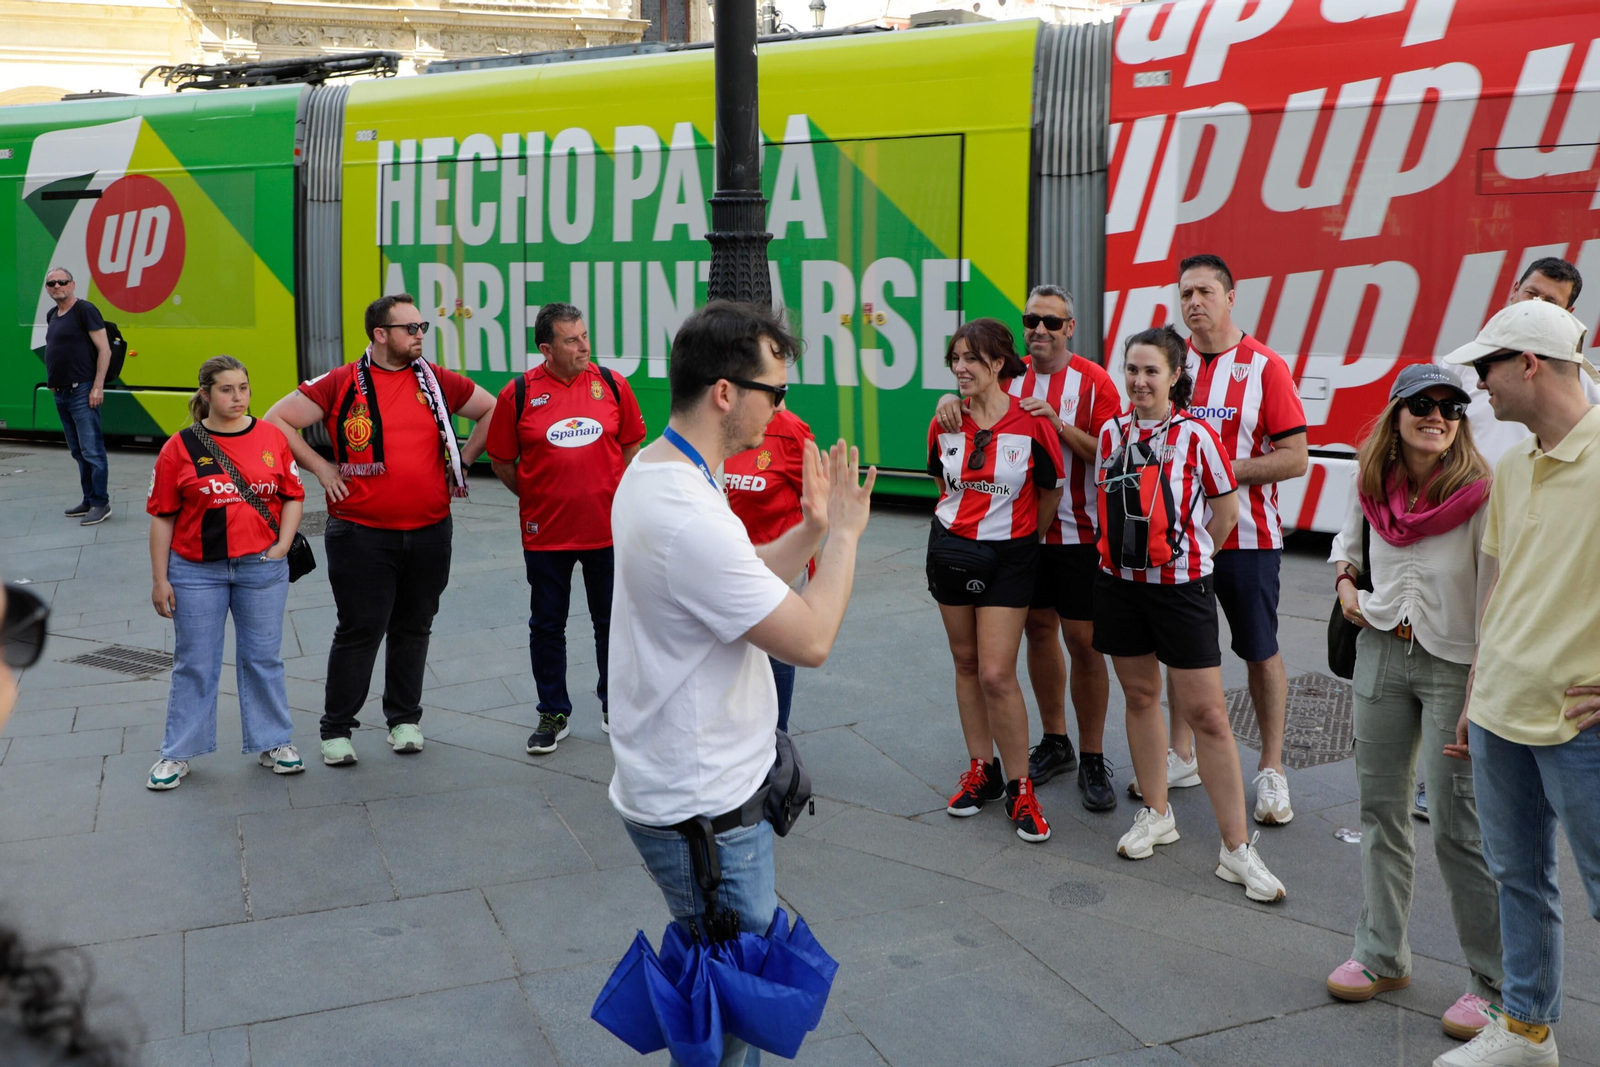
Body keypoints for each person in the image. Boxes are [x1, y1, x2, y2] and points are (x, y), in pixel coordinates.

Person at [607, 301, 875, 1067]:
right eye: (776, 391)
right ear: (725, 391)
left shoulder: (660, 468)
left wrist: (813, 531)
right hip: (706, 810)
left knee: (725, 986)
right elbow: (812, 637)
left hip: (696, 788)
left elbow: (742, 581)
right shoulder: (686, 509)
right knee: (732, 1002)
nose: (782, 408)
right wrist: (848, 538)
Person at [1432, 299, 1600, 1067]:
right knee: (1517, 879)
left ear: (1529, 363)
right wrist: (1476, 694)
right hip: (1501, 710)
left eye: (1487, 367)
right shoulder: (1513, 464)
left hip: (1581, 723)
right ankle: (1527, 1031)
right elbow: (1500, 586)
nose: (1479, 386)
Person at [1324, 364, 1502, 1043]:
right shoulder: (1370, 483)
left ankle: (1492, 982)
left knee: (1460, 826)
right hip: (1380, 649)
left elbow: (1495, 592)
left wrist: (1482, 683)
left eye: (1451, 407)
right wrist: (1345, 583)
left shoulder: (1482, 494)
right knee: (1381, 810)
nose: (1438, 416)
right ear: (1396, 414)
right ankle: (1381, 953)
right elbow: (1347, 544)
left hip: (1456, 665)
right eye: (1424, 404)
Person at [264, 294, 496, 766]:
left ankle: (404, 719)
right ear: (380, 334)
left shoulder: (436, 381)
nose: (419, 335)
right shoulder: (342, 381)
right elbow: (276, 421)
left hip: (431, 529)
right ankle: (336, 730)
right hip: (362, 533)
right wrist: (323, 469)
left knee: (415, 626)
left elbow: (494, 410)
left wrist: (462, 460)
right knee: (360, 629)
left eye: (421, 327)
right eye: (410, 328)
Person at [1097, 326, 1285, 903]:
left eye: (1152, 370)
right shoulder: (1111, 432)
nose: (1139, 380)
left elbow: (1226, 512)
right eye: (1131, 369)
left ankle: (1236, 848)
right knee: (1139, 697)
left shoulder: (1198, 436)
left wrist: (1187, 556)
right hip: (1119, 584)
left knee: (1207, 716)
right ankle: (1157, 813)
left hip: (1181, 591)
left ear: (1175, 376)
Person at [1137, 254, 1308, 830]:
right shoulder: (1170, 366)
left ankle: (1272, 770)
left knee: (1260, 651)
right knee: (1181, 649)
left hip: (1249, 539)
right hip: (1179, 539)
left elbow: (1296, 457)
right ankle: (1181, 755)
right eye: (1185, 293)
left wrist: (1219, 467)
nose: (1194, 302)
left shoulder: (1265, 366)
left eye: (1205, 291)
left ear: (1231, 297)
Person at [935, 287, 1121, 810]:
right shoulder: (1007, 375)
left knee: (1084, 643)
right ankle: (1055, 740)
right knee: (1038, 634)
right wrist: (948, 400)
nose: (1040, 329)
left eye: (1051, 322)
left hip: (1078, 532)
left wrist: (1056, 425)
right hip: (1019, 539)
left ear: (1070, 327)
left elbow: (1110, 454)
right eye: (1031, 320)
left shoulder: (1095, 380)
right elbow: (967, 410)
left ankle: (1092, 755)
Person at [487, 303, 647, 755]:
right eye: (572, 340)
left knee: (612, 624)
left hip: (608, 532)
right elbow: (501, 460)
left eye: (584, 335)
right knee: (547, 625)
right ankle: (552, 713)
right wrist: (538, 496)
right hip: (547, 535)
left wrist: (617, 498)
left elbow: (632, 445)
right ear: (546, 348)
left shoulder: (613, 385)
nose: (584, 346)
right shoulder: (516, 394)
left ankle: (615, 704)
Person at [929, 319, 1063, 843]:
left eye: (971, 359)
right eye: (955, 358)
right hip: (952, 550)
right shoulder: (943, 419)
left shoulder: (1031, 422)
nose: (961, 368)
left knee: (995, 674)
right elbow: (941, 484)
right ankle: (979, 769)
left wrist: (1026, 540)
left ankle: (1020, 786)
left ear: (999, 364)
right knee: (965, 662)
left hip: (1011, 555)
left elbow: (1049, 489)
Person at [144, 356, 306, 789]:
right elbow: (162, 516)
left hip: (261, 567)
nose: (237, 398)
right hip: (196, 571)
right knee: (194, 662)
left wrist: (283, 546)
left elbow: (292, 495)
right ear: (206, 394)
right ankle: (177, 753)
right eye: (226, 390)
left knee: (263, 658)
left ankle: (275, 742)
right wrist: (161, 579)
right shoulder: (179, 447)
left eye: (244, 388)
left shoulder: (271, 437)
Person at [1455, 256, 1600, 472]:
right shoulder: (1459, 364)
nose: (1481, 383)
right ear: (1514, 290)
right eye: (1531, 294)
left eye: (1550, 302)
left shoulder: (1583, 383)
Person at [724, 401, 815, 733]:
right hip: (730, 562)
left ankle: (777, 743)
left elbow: (818, 503)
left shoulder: (789, 430)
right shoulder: (720, 424)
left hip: (779, 569)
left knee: (775, 653)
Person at [42, 268, 113, 527]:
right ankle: (88, 499)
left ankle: (100, 503)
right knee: (78, 451)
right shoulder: (53, 315)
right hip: (61, 393)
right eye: (51, 283)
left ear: (72, 284)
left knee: (92, 450)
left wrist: (97, 386)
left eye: (62, 281)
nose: (56, 286)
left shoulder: (86, 310)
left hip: (82, 391)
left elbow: (104, 349)